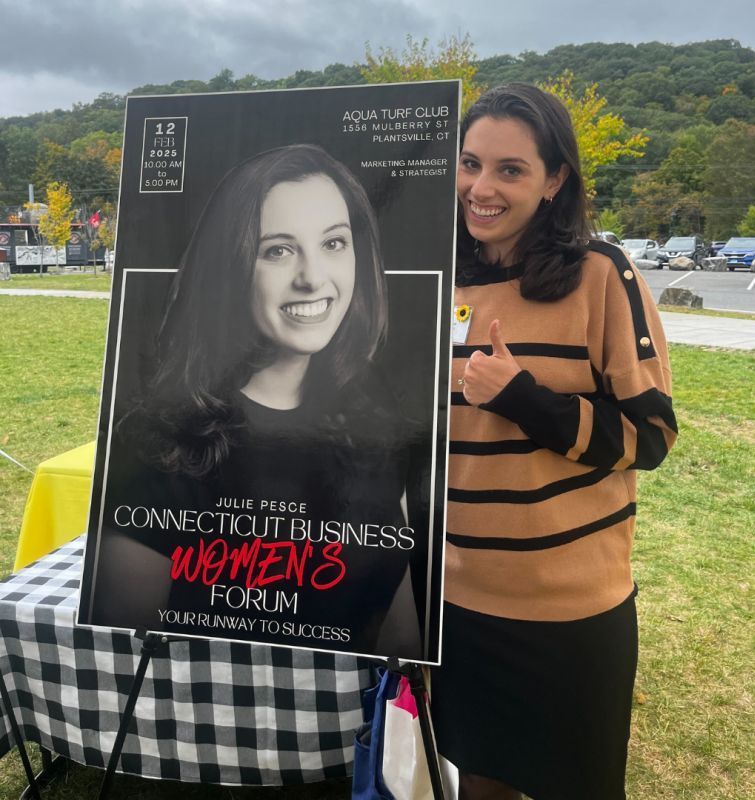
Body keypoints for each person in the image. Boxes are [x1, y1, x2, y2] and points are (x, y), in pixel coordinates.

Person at [430, 84, 678, 799]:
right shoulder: (435, 277)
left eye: (510, 169)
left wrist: (522, 398)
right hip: (457, 604)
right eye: (470, 163)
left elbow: (650, 436)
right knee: (479, 782)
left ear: (554, 180)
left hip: (570, 613)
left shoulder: (602, 275)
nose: (481, 188)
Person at [86, 145, 424, 660]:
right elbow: (124, 654)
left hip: (349, 710)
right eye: (278, 251)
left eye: (334, 242)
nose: (313, 277)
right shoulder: (156, 441)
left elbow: (401, 639)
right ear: (231, 265)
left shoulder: (379, 427)